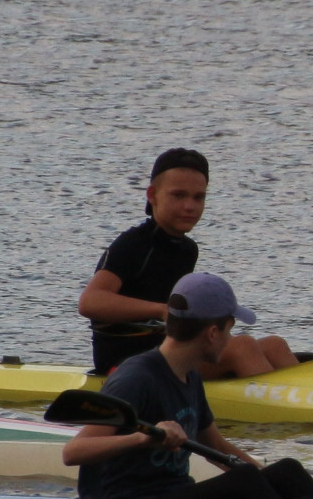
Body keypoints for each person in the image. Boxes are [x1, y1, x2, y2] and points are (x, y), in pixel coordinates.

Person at [62, 272, 313, 499]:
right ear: (213, 333)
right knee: (244, 482)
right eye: (230, 329)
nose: (231, 338)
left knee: (285, 470)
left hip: (171, 495)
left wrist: (274, 480)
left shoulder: (190, 375)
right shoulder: (137, 378)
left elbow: (218, 448)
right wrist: (142, 440)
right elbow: (74, 452)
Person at [77, 147, 299, 378]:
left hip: (168, 353)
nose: (190, 206)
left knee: (274, 345)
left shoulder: (187, 250)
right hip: (125, 366)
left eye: (198, 197)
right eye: (179, 195)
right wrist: (161, 310)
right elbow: (90, 302)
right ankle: (283, 410)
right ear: (152, 195)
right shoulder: (133, 244)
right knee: (242, 347)